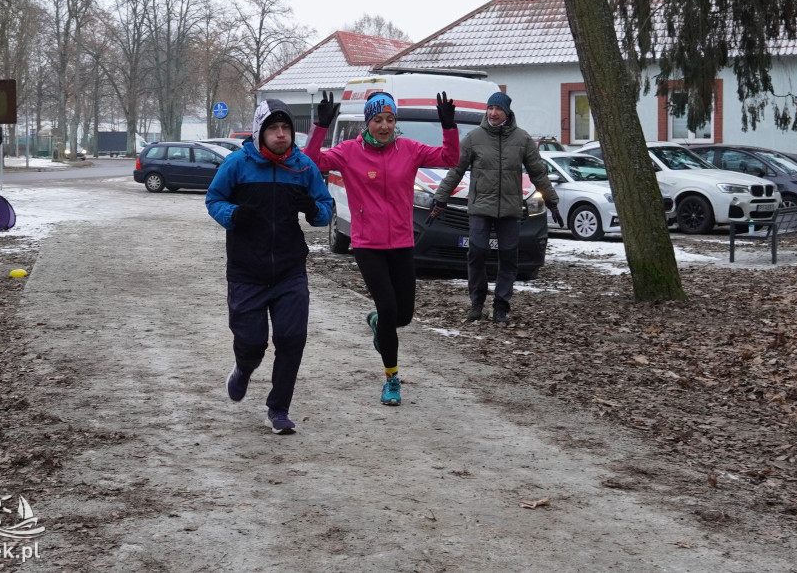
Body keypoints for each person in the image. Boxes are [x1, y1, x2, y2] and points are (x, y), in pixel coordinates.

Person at [304, 90, 459, 406]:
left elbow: (450, 159)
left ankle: (378, 323)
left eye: (390, 119)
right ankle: (392, 379)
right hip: (368, 245)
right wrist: (320, 126)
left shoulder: (409, 149)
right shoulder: (349, 152)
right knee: (388, 309)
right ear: (367, 122)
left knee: (403, 316)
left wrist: (449, 127)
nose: (385, 126)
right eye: (378, 120)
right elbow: (311, 161)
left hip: (402, 242)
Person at [205, 99, 333, 435]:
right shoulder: (237, 163)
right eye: (273, 128)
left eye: (285, 127)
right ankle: (244, 368)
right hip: (246, 270)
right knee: (252, 343)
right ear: (259, 131)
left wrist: (313, 209)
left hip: (290, 270)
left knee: (292, 339)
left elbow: (325, 209)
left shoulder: (302, 167)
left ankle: (278, 409)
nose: (280, 134)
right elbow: (214, 199)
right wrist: (233, 214)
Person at [429, 91, 563, 324]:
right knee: (477, 253)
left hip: (510, 209)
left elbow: (538, 173)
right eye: (490, 108)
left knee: (509, 257)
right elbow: (455, 170)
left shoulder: (522, 139)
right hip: (480, 207)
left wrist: (552, 201)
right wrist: (440, 199)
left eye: (498, 109)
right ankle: (477, 302)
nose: (493, 113)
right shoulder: (474, 138)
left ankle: (501, 306)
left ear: (507, 112)